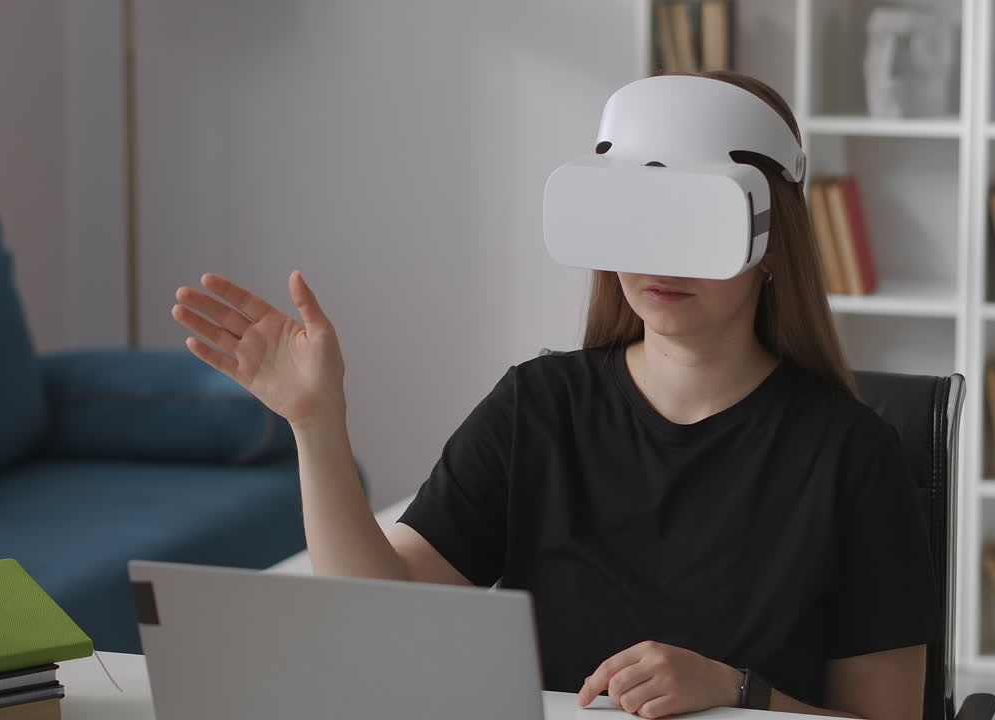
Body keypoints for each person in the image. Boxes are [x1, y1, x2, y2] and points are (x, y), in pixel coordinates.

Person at [171, 70, 937, 720]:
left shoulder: (850, 456)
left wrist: (734, 690)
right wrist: (318, 423)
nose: (660, 256)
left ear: (770, 246)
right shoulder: (538, 407)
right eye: (638, 214)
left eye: (695, 219)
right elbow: (378, 612)